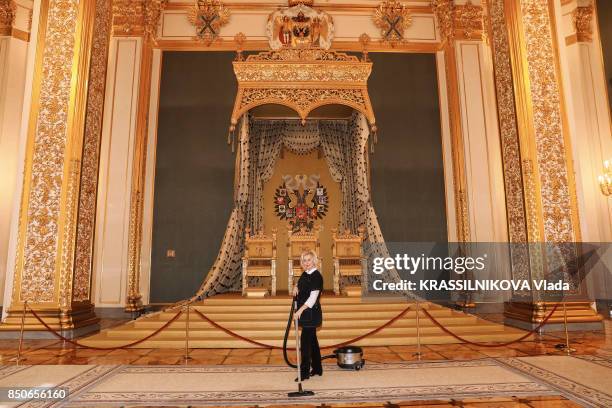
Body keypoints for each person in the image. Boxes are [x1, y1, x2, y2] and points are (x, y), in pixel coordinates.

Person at [292, 250, 323, 381]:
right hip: (305, 313)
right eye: (304, 261)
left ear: (314, 261)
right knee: (313, 342)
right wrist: (295, 286)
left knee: (305, 344)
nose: (306, 263)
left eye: (309, 260)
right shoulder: (305, 274)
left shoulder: (317, 276)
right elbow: (302, 284)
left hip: (311, 313)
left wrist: (299, 311)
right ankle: (317, 369)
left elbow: (313, 298)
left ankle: (304, 373)